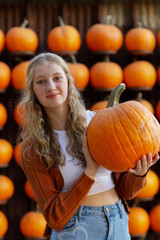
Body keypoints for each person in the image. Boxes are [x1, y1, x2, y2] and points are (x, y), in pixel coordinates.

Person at [19, 52, 159, 240]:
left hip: (117, 220)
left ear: (68, 81)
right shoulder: (33, 148)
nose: (51, 87)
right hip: (75, 229)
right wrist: (90, 172)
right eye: (41, 82)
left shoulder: (98, 123)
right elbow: (54, 217)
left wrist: (139, 173)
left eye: (57, 78)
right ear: (32, 90)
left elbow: (126, 192)